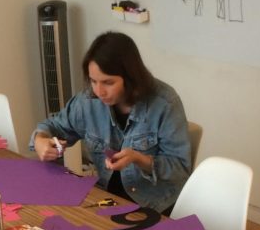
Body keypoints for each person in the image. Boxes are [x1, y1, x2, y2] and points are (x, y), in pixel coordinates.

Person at [31, 31, 191, 214]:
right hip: (108, 199)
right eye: (93, 81)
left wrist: (139, 159)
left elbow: (180, 168)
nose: (99, 91)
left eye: (108, 82)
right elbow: (54, 126)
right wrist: (40, 140)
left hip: (155, 205)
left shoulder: (165, 103)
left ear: (130, 77)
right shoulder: (87, 101)